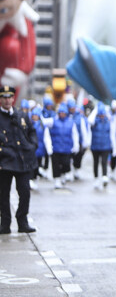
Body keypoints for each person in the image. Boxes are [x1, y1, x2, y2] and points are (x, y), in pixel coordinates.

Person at [0, 0, 37, 98]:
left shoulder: (20, 20)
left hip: (8, 78)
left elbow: (28, 48)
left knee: (10, 46)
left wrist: (22, 70)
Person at [0, 85, 37, 234]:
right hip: (4, 161)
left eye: (10, 97)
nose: (7, 100)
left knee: (25, 192)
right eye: (4, 97)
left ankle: (22, 222)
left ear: (13, 98)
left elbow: (31, 131)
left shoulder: (21, 115)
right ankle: (5, 224)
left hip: (22, 160)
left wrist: (32, 145)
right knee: (3, 195)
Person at [45, 103, 80, 189]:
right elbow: (44, 124)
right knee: (56, 165)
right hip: (56, 148)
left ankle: (63, 175)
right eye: (60, 113)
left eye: (63, 113)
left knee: (66, 164)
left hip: (66, 148)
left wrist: (76, 145)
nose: (62, 114)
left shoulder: (71, 122)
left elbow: (75, 134)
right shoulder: (53, 121)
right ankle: (57, 179)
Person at [88, 102, 116, 189]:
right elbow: (89, 120)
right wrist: (96, 109)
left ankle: (105, 177)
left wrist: (114, 147)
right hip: (95, 146)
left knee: (104, 162)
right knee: (96, 162)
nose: (101, 116)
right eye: (100, 114)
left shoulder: (109, 122)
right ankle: (96, 179)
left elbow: (112, 135)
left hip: (105, 146)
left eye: (103, 114)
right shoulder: (94, 122)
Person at [29, 107, 52, 191]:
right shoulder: (29, 124)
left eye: (36, 115)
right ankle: (30, 179)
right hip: (31, 150)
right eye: (33, 115)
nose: (35, 117)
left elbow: (47, 137)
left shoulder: (42, 125)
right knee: (31, 166)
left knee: (37, 166)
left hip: (40, 149)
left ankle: (35, 179)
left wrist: (49, 149)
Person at [67, 99, 90, 181]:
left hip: (78, 140)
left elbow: (84, 130)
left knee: (78, 156)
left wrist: (85, 141)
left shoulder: (80, 118)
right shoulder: (66, 115)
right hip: (68, 141)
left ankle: (76, 169)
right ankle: (68, 171)